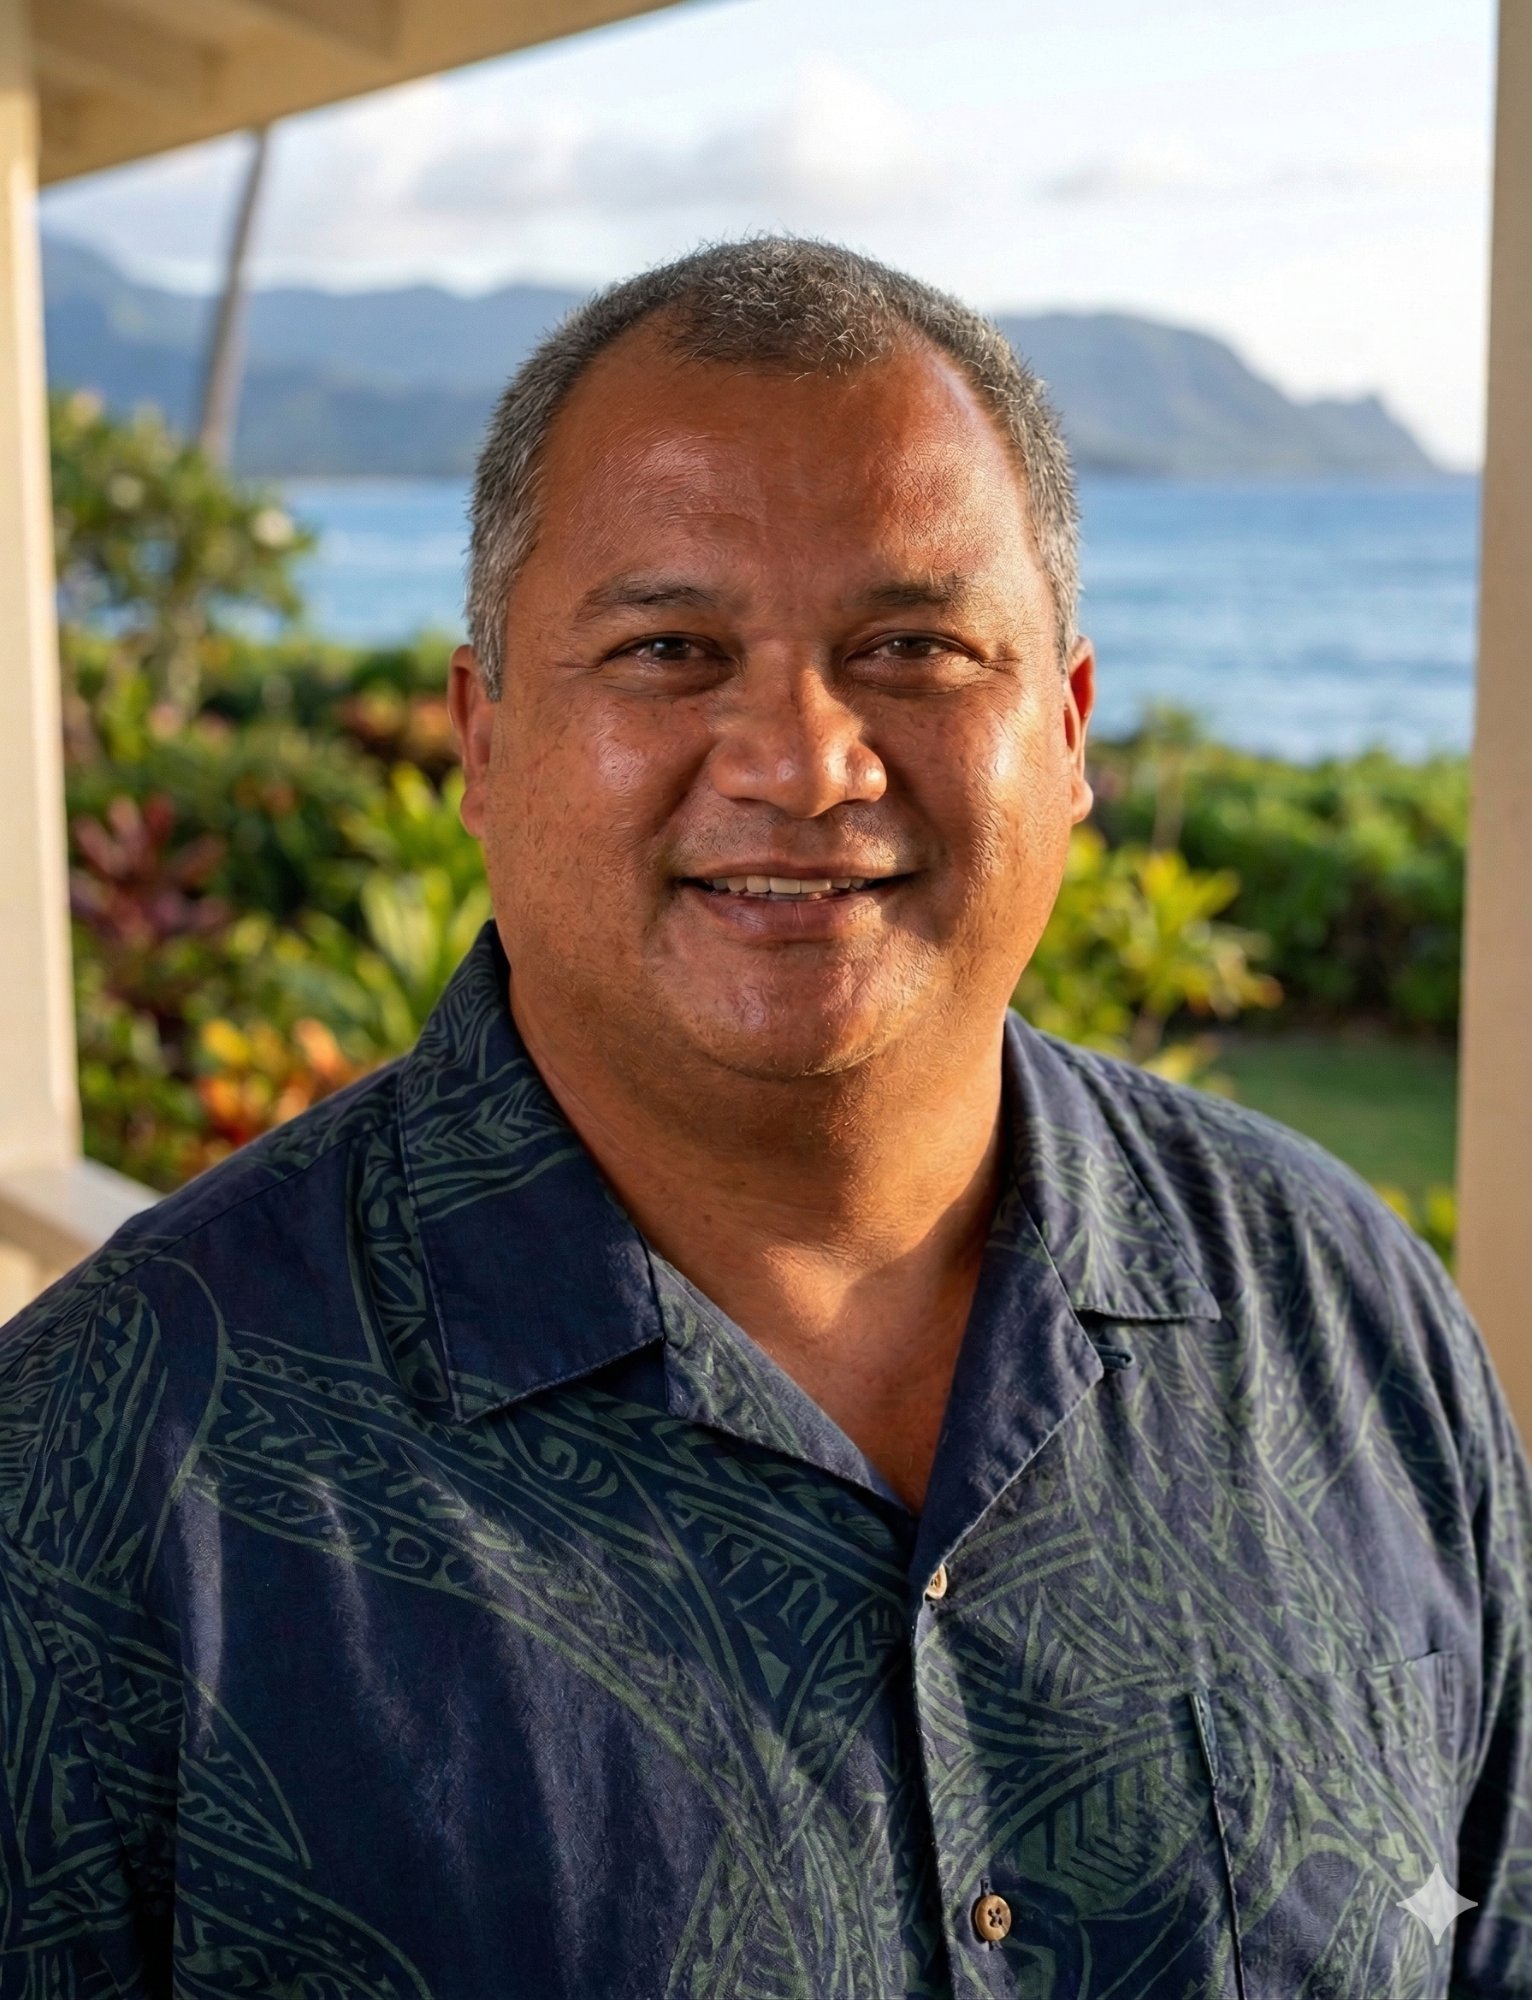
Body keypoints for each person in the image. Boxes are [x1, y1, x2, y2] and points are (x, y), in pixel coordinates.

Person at [0, 237, 1526, 2000]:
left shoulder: (1345, 1318)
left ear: (1074, 726)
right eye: (668, 647)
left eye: (914, 645)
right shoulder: (107, 1462)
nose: (804, 762)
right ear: (482, 740)